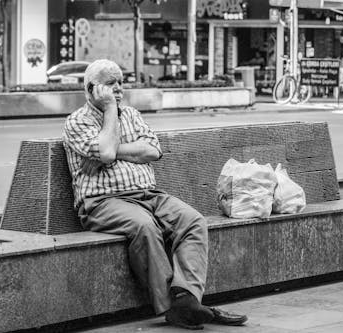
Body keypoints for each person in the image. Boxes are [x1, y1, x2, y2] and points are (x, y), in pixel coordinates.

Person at [62, 59, 248, 330]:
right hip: (102, 202)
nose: (118, 90)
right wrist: (111, 115)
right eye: (110, 84)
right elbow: (105, 151)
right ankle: (171, 307)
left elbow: (152, 150)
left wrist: (115, 150)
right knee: (145, 227)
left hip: (148, 195)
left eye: (121, 83)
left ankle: (186, 298)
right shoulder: (77, 122)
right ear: (92, 88)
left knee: (192, 220)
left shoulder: (133, 115)